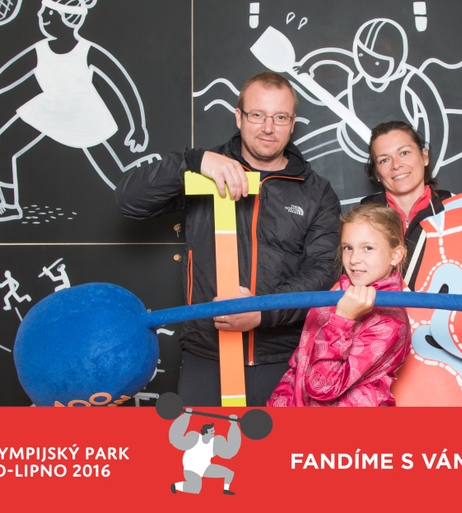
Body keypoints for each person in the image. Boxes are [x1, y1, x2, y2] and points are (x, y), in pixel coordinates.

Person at [116, 72, 341, 406]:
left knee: (278, 443)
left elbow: (322, 272)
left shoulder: (316, 191)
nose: (268, 127)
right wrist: (194, 161)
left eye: (280, 117)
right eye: (257, 115)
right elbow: (129, 200)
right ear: (239, 117)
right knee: (204, 442)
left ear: (292, 123)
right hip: (206, 354)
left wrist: (261, 311)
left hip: (283, 358)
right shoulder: (204, 170)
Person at [0, 0, 156, 222]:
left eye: (48, 12)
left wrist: (138, 126)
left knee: (116, 177)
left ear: (67, 19)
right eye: (43, 10)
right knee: (1, 147)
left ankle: (151, 174)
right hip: (48, 109)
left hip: (83, 115)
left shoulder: (87, 51)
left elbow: (122, 83)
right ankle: (10, 205)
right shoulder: (39, 51)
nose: (40, 15)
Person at [267, 204, 410, 407]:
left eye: (368, 248)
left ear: (395, 255)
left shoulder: (391, 321)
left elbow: (322, 387)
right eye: (347, 248)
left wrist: (342, 320)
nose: (354, 259)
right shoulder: (331, 300)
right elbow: (298, 367)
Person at [360, 121, 451, 289]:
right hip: (382, 306)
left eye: (404, 153)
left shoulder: (455, 208)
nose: (396, 165)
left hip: (443, 306)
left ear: (424, 156)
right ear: (377, 173)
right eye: (384, 160)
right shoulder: (362, 218)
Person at [168, 409, 240, 495]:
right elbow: (176, 438)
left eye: (214, 430)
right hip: (191, 468)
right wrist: (186, 416)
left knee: (229, 473)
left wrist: (233, 424)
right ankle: (175, 486)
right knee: (195, 489)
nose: (214, 432)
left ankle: (226, 490)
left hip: (205, 467)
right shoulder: (194, 438)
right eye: (212, 431)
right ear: (206, 432)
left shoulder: (215, 443)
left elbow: (231, 449)